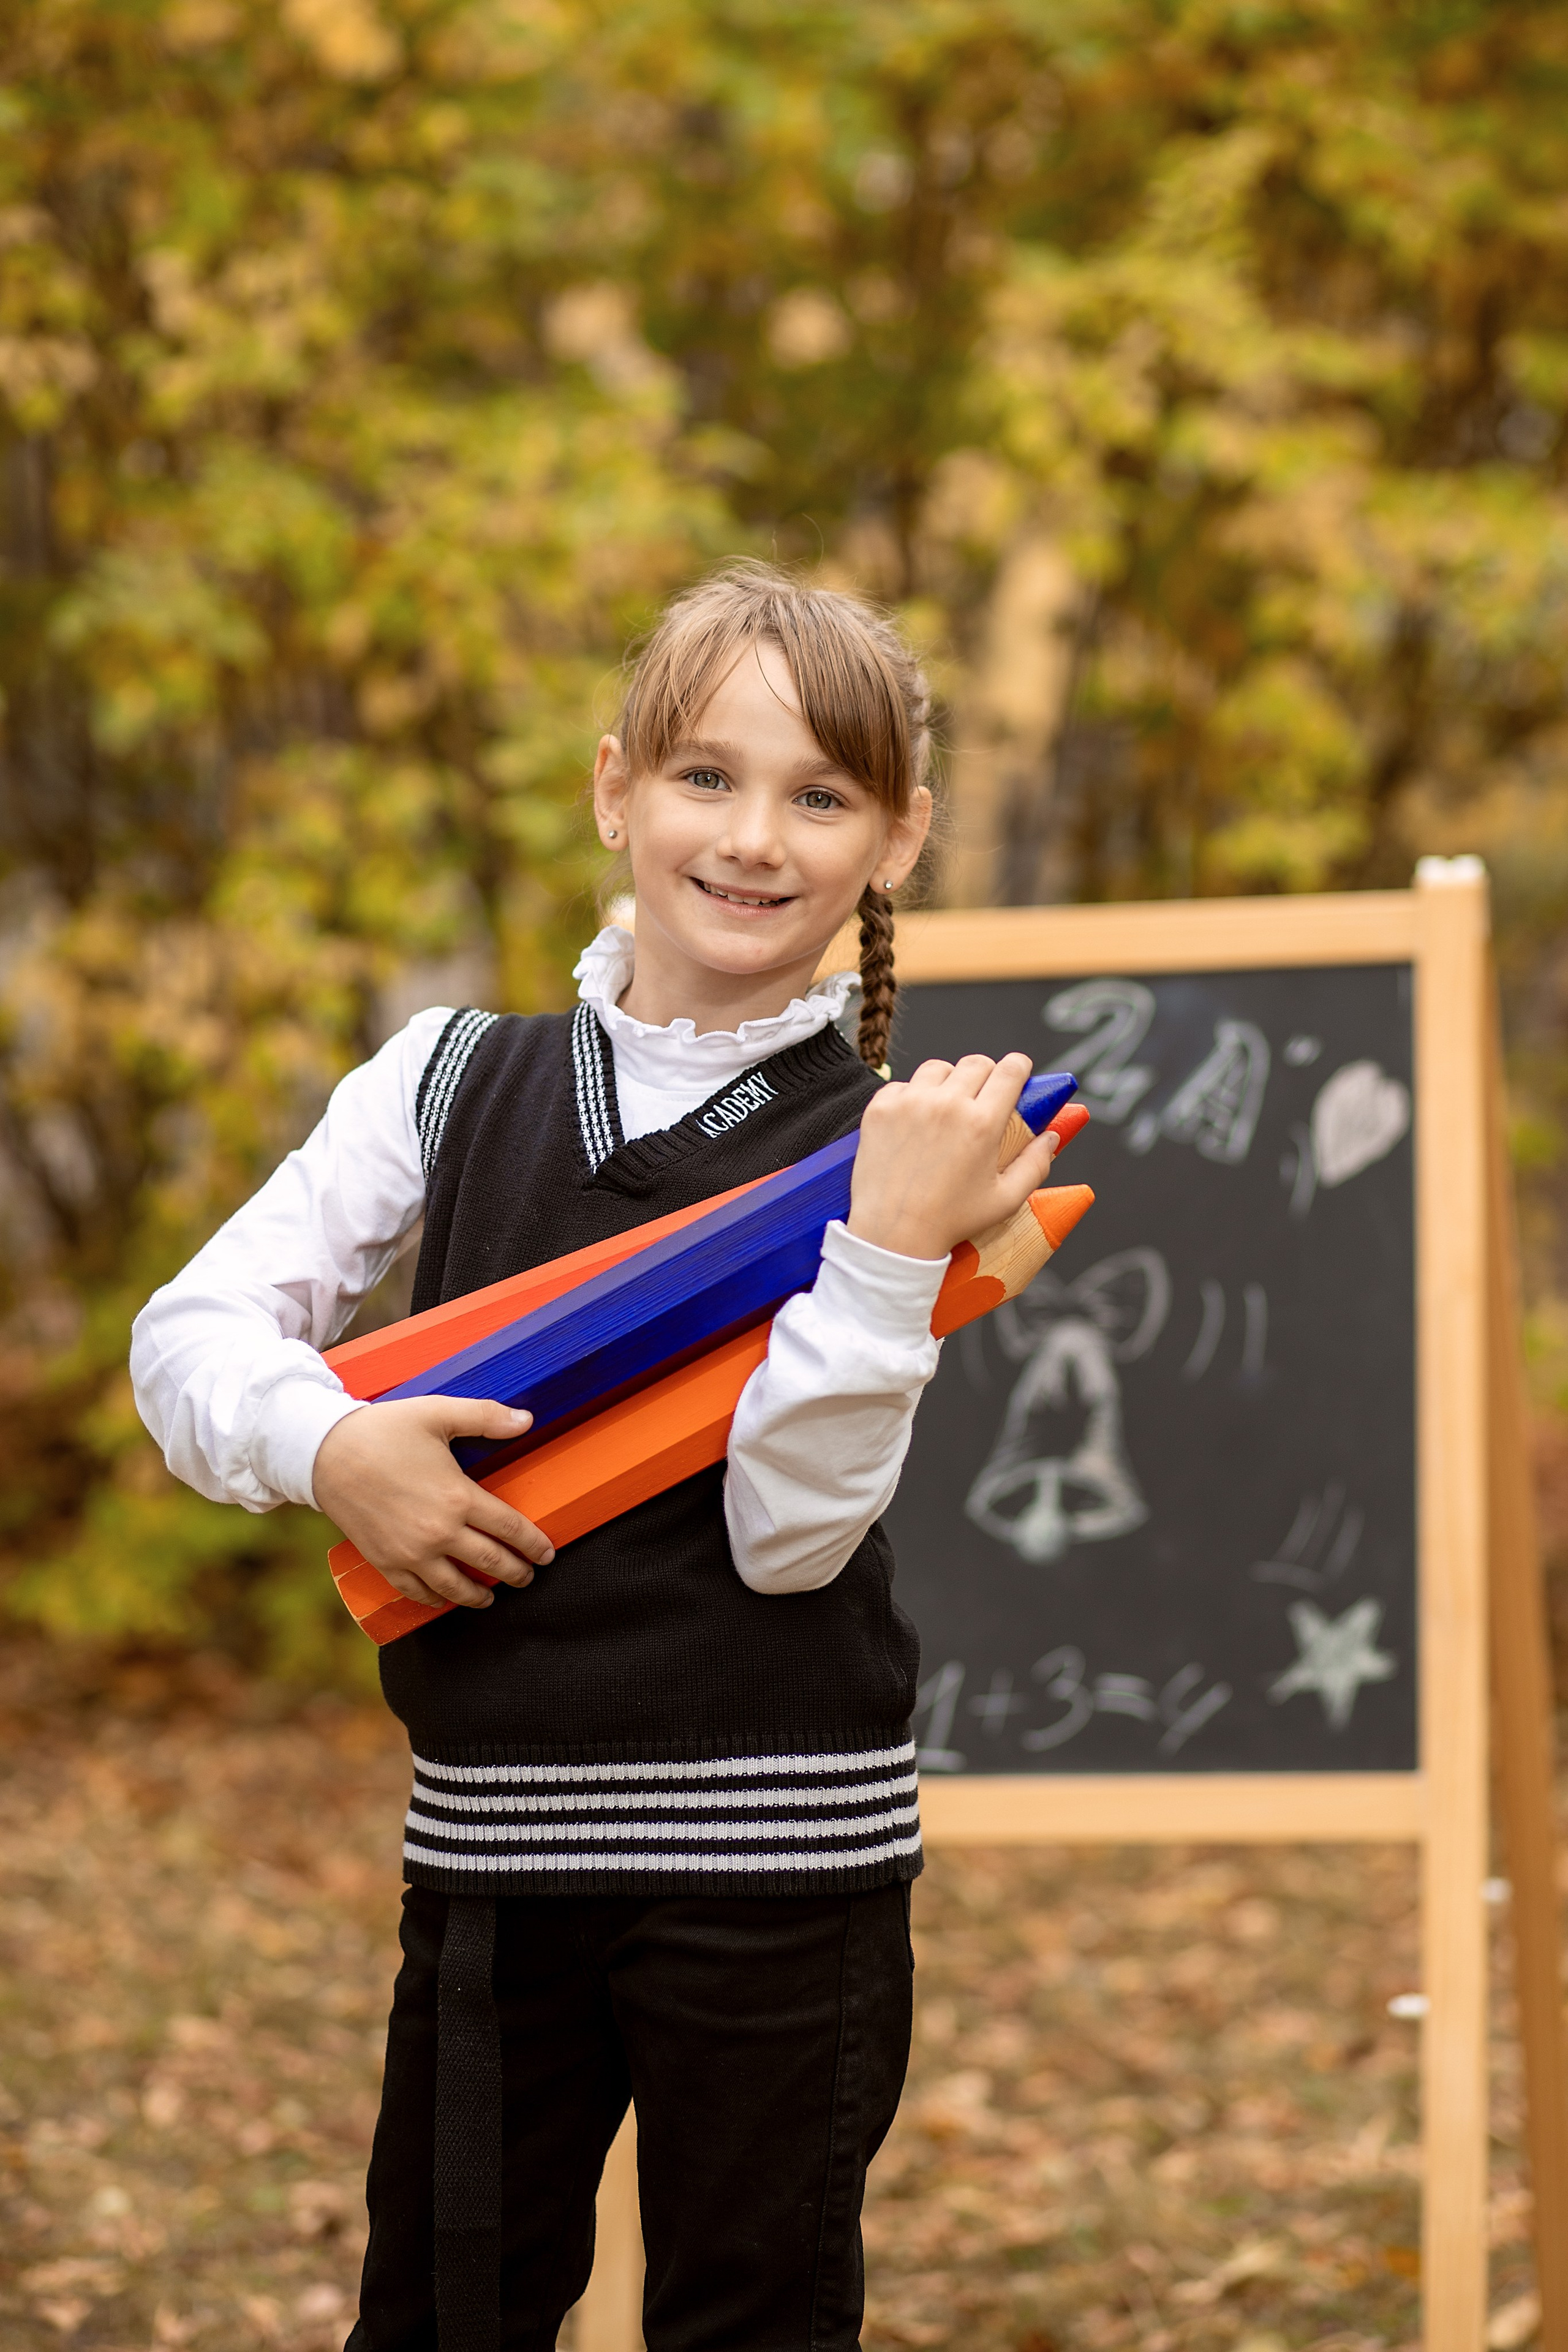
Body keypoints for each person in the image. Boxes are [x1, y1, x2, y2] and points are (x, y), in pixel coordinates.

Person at [130, 562, 1061, 2352]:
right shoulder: (447, 1076)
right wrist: (332, 1452)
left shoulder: (901, 1150)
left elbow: (791, 1542)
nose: (756, 838)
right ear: (615, 787)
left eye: (823, 795)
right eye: (706, 777)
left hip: (786, 1873)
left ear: (900, 836)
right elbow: (190, 1336)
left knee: (751, 2322)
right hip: (493, 1853)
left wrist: (881, 1254)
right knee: (444, 2312)